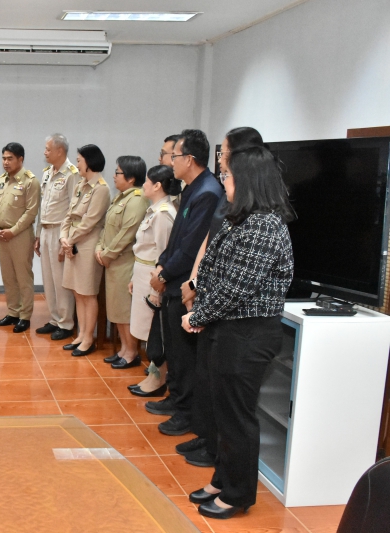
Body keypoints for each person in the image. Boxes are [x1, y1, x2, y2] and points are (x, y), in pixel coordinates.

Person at [183, 145, 294, 519]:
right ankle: (222, 479)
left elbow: (237, 287)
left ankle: (237, 494)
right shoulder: (241, 218)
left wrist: (198, 315)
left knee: (237, 418)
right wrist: (202, 305)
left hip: (248, 334)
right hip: (228, 329)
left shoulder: (264, 226)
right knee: (223, 415)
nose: (223, 180)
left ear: (247, 180)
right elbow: (212, 267)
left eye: (227, 175)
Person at [175, 127, 267, 468]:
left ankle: (218, 456)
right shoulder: (228, 196)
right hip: (207, 297)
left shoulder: (255, 213)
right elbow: (209, 242)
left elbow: (236, 281)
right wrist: (194, 281)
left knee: (228, 398)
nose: (219, 157)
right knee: (206, 377)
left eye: (224, 151)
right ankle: (206, 438)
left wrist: (198, 296)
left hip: (233, 316)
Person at [148, 129, 222, 437]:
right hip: (173, 278)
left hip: (185, 285)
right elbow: (175, 238)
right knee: (175, 351)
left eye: (174, 156)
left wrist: (165, 274)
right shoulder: (192, 188)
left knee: (184, 353)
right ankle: (175, 397)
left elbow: (192, 246)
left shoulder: (208, 192)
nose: (170, 162)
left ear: (189, 159)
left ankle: (185, 412)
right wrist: (162, 264)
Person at [126, 165, 179, 396]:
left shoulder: (164, 214)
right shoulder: (154, 210)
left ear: (157, 186)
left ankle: (158, 378)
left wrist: (157, 290)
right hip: (142, 273)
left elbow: (163, 254)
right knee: (145, 329)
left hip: (152, 279)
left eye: (147, 181)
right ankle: (152, 374)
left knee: (154, 331)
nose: (144, 185)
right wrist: (133, 277)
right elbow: (142, 249)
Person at [96, 156, 149, 369]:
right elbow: (107, 229)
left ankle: (131, 352)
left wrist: (106, 254)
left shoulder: (137, 200)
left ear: (131, 177)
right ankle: (124, 350)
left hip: (124, 262)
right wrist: (100, 248)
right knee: (116, 309)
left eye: (118, 172)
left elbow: (126, 234)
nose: (114, 176)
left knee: (125, 312)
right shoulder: (120, 198)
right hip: (113, 262)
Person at [59, 144, 111, 356]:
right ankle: (81, 334)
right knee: (76, 292)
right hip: (72, 242)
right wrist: (63, 238)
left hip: (87, 245)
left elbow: (89, 222)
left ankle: (89, 338)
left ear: (89, 162)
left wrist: (69, 241)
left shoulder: (101, 189)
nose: (77, 164)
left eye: (79, 160)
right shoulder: (81, 184)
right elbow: (69, 214)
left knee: (87, 293)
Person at [34, 134, 80, 341]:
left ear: (59, 150)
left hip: (60, 232)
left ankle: (66, 322)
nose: (45, 152)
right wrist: (38, 234)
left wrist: (66, 240)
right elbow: (42, 207)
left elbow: (74, 209)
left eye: (48, 149)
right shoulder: (47, 173)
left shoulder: (71, 174)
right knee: (48, 278)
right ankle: (54, 319)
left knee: (61, 280)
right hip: (45, 230)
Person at [0, 142, 40, 333]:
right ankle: (13, 312)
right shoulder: (2, 180)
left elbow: (31, 212)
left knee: (23, 277)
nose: (5, 162)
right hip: (2, 235)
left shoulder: (30, 181)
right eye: (3, 158)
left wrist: (13, 230)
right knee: (8, 277)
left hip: (20, 236)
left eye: (10, 158)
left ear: (21, 159)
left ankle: (25, 316)